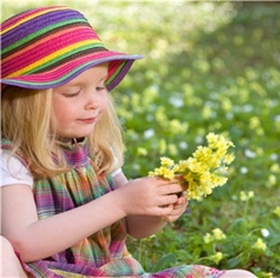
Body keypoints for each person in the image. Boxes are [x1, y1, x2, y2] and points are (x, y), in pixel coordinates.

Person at [0, 5, 256, 278]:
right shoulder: (12, 160)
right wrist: (119, 202)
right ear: (24, 102)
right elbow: (23, 243)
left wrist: (155, 207)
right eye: (74, 92)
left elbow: (135, 227)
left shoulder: (97, 151)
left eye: (100, 87)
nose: (95, 102)